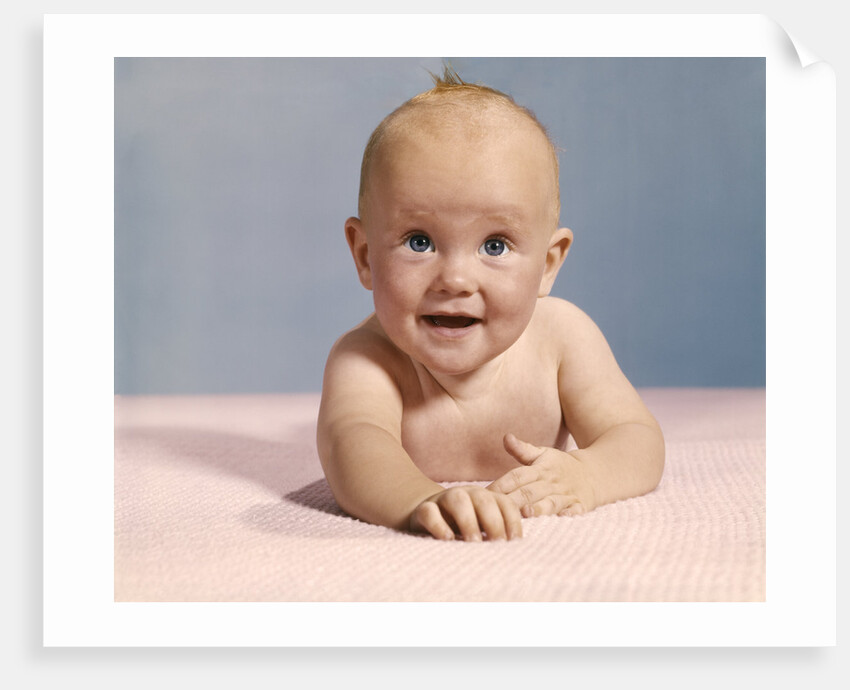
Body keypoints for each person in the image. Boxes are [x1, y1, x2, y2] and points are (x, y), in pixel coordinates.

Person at [316, 67, 665, 541]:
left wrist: (588, 474)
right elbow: (352, 448)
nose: (455, 279)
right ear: (365, 256)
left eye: (495, 246)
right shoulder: (367, 359)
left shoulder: (563, 338)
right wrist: (420, 500)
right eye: (419, 242)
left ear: (546, 265)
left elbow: (636, 438)